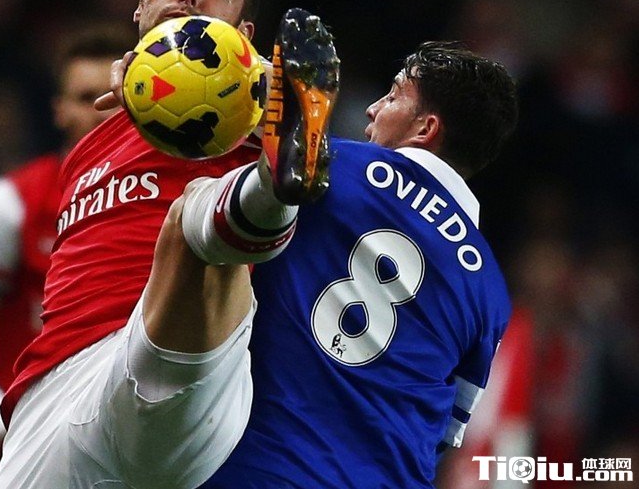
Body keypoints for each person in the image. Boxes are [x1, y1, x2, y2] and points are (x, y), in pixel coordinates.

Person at [0, 0, 342, 489]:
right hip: (51, 389)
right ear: (141, 5)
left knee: (193, 218)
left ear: (243, 33)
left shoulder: (246, 110)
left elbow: (335, 172)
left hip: (177, 362)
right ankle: (269, 193)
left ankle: (273, 189)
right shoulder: (86, 145)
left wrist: (261, 84)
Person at [161, 39, 519, 488]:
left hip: (264, 467)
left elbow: (218, 208)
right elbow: (447, 433)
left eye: (393, 96)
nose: (372, 108)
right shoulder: (490, 289)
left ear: (425, 129)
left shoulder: (323, 166)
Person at [0, 25, 133, 489]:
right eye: (85, 97)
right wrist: (2, 422)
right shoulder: (12, 204)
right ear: (59, 109)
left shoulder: (168, 200)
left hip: (127, 454)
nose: (101, 110)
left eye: (114, 95)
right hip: (22, 457)